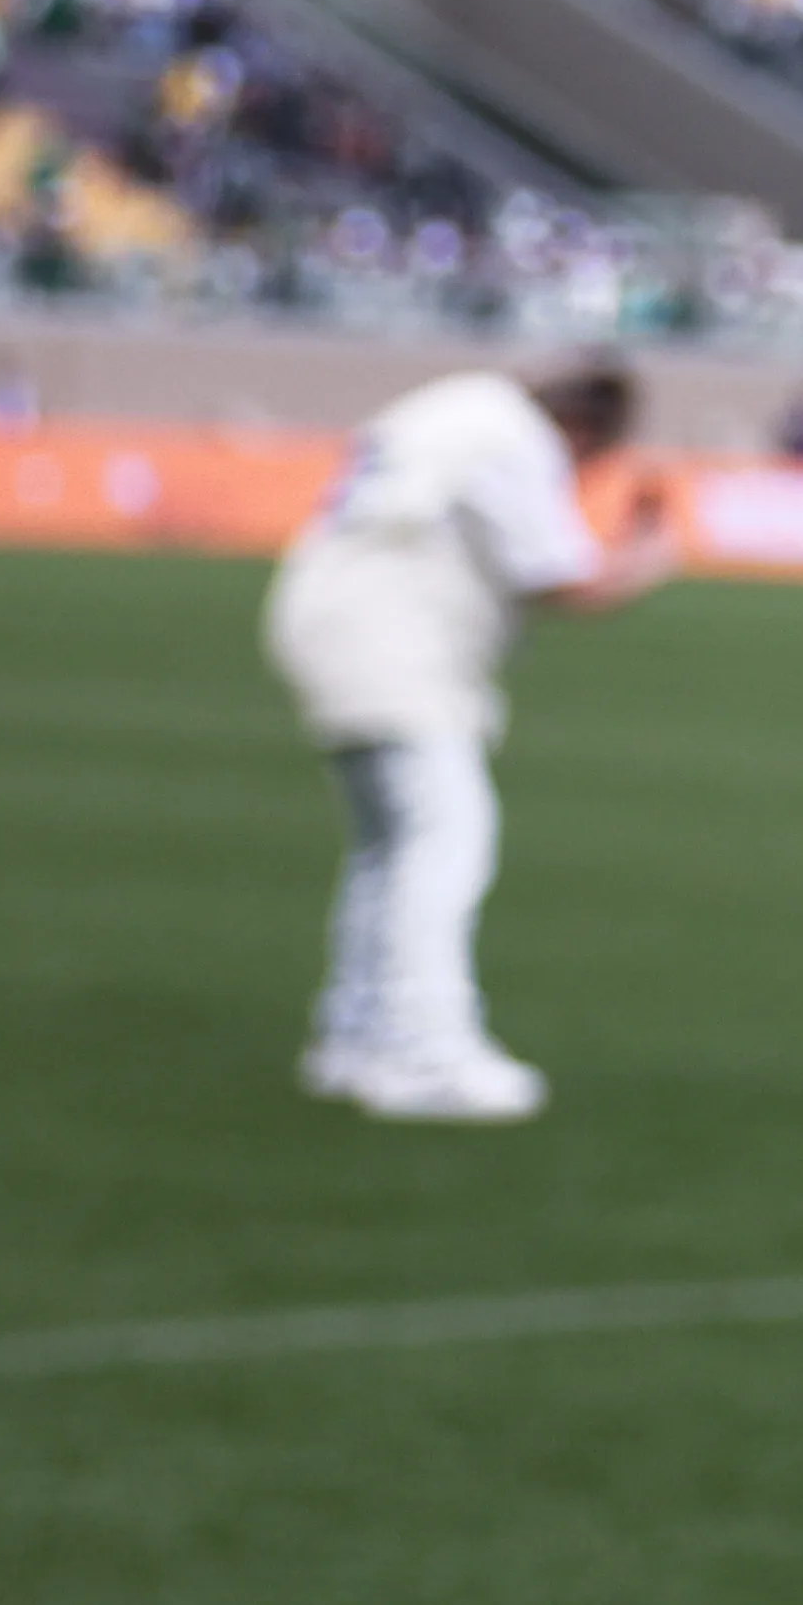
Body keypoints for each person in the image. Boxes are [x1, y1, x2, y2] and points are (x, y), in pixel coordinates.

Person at [263, 357, 666, 1124]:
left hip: (327, 610)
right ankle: (422, 1053)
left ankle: (355, 1037)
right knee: (445, 838)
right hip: (388, 637)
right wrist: (647, 557)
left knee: (391, 844)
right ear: (584, 429)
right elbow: (562, 579)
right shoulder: (512, 436)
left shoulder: (459, 408)